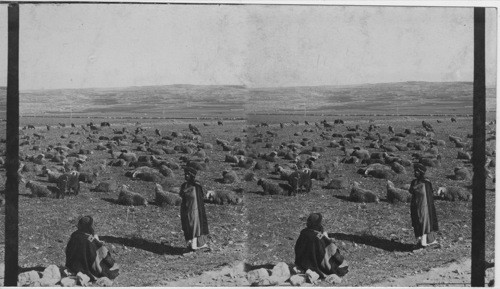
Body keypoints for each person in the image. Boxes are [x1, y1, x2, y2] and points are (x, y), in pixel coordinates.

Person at [294, 213, 348, 278]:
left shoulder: (304, 232)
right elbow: (322, 248)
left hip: (301, 261)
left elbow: (297, 247)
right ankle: (337, 262)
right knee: (331, 246)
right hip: (314, 263)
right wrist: (329, 240)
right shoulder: (318, 236)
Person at [65, 216, 119, 281]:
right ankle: (107, 265)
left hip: (71, 264)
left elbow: (68, 249)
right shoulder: (89, 239)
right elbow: (96, 244)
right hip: (86, 265)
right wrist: (99, 242)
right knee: (101, 248)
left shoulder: (74, 234)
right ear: (89, 226)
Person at [180, 166, 209, 251]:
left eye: (187, 174)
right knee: (187, 225)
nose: (185, 176)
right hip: (186, 208)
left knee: (195, 224)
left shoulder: (197, 187)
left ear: (192, 175)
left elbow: (200, 200)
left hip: (195, 208)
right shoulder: (184, 185)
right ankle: (190, 243)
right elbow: (182, 195)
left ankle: (195, 244)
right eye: (185, 174)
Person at [410, 163, 439, 248]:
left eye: (417, 171)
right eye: (414, 171)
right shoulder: (415, 182)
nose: (415, 173)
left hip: (425, 205)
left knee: (426, 221)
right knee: (418, 222)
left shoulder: (426, 183)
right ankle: (421, 241)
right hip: (416, 205)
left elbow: (429, 196)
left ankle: (425, 241)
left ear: (421, 172)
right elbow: (411, 191)